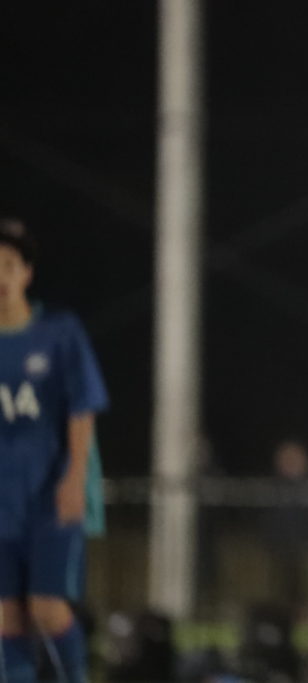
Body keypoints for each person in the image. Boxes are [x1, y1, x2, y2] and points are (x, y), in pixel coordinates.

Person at [0, 218, 108, 683]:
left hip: (49, 496)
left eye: (8, 265)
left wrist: (75, 479)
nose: (0, 276)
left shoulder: (59, 333)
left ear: (26, 273)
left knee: (46, 607)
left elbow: (82, 409)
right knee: (6, 616)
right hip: (1, 501)